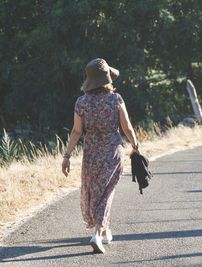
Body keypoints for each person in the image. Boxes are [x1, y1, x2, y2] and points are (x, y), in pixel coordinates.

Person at [61, 58, 138, 253]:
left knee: (96, 193)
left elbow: (76, 131)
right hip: (113, 153)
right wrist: (135, 145)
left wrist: (67, 155)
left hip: (91, 155)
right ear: (107, 78)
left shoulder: (81, 102)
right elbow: (126, 126)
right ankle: (97, 233)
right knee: (107, 192)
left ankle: (105, 231)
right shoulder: (115, 99)